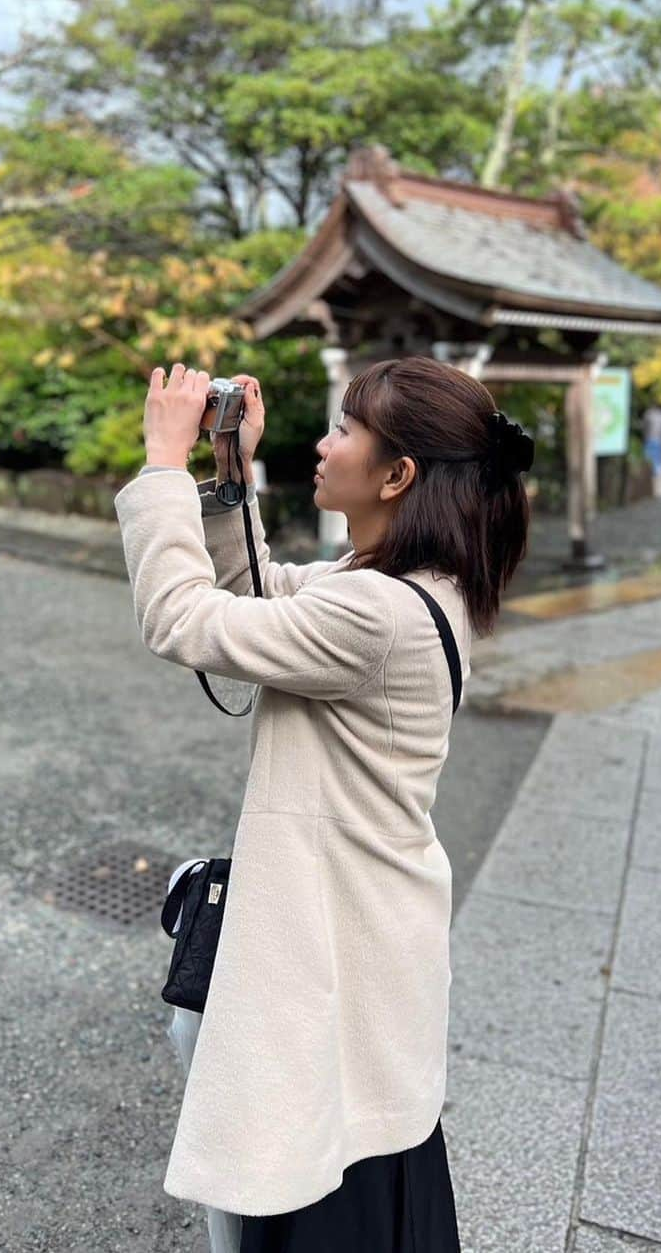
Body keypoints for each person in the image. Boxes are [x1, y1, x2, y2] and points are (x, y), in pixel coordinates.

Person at [114, 356, 534, 1253]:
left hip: (342, 940)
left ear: (396, 475)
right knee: (339, 1155)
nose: (322, 441)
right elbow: (256, 594)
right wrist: (228, 473)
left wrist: (161, 461)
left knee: (318, 1180)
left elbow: (183, 620)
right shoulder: (401, 586)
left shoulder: (377, 612)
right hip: (359, 928)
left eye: (345, 428)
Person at [641, 401, 661, 486]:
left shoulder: (648, 414)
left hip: (650, 438)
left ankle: (651, 476)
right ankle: (658, 475)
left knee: (648, 456)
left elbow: (644, 427)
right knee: (658, 458)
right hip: (660, 439)